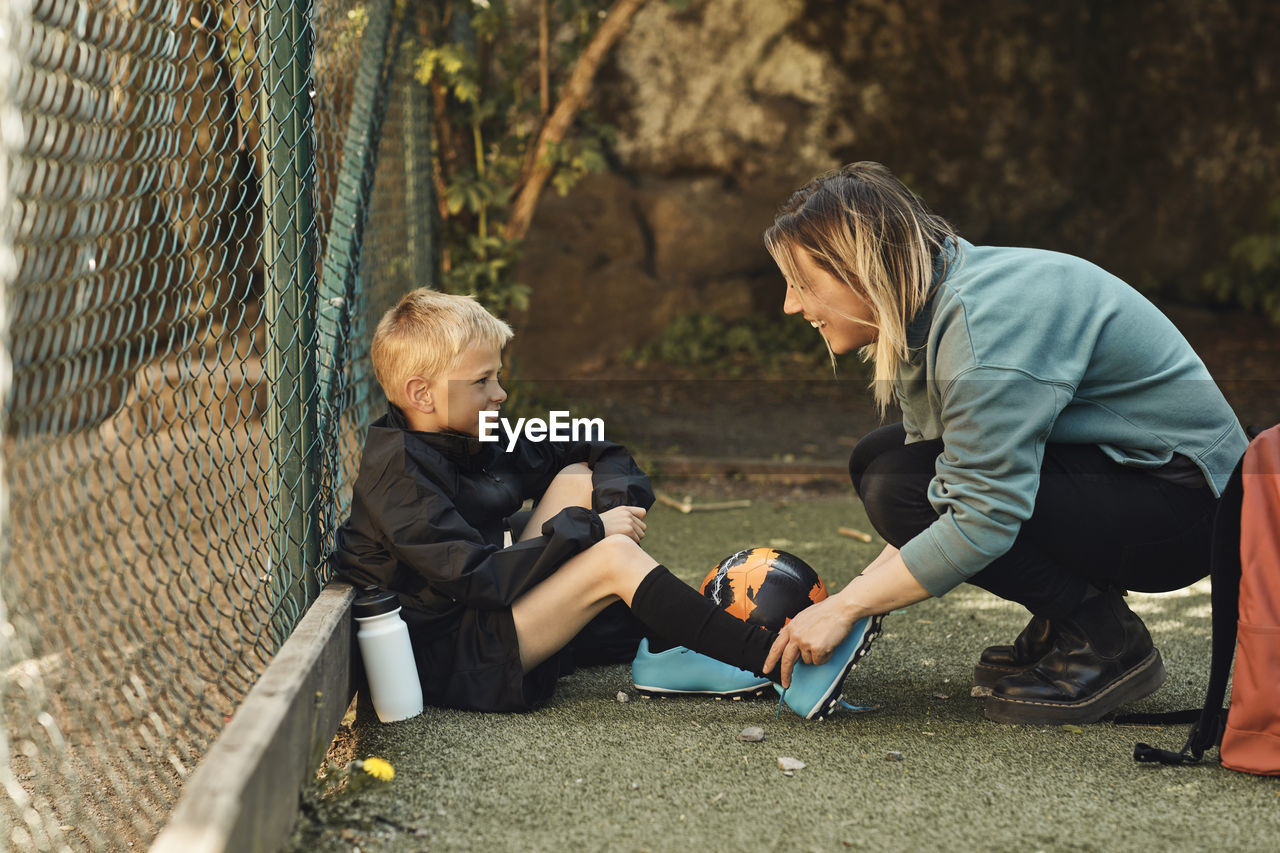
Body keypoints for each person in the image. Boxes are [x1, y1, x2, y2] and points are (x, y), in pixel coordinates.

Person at [761, 162, 1250, 725]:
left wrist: (847, 607)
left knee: (895, 485)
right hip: (1134, 479)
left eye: (803, 284)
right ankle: (1066, 618)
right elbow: (944, 480)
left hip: (1189, 510)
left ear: (861, 270)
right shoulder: (927, 308)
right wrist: (855, 601)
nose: (791, 305)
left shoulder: (982, 330)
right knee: (883, 462)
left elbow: (979, 518)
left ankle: (1105, 638)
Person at [332, 288, 877, 717]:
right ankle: (776, 664)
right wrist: (591, 531)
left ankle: (669, 648)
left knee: (574, 476)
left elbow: (599, 447)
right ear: (422, 393)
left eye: (498, 376)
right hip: (455, 660)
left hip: (483, 616)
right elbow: (475, 577)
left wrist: (610, 510)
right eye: (483, 381)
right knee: (609, 555)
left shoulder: (476, 428)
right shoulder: (397, 472)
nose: (500, 394)